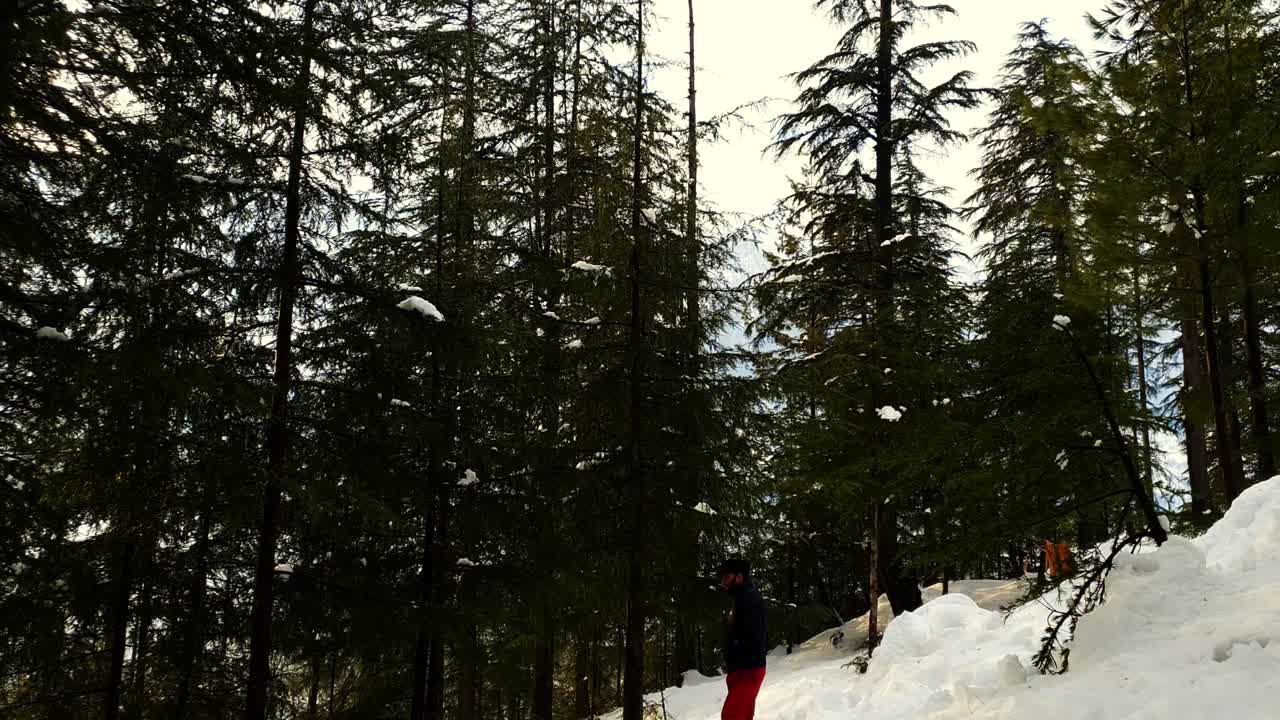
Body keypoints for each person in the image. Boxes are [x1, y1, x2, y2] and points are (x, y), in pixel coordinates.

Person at [718, 558, 767, 720]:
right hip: (741, 670)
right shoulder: (742, 598)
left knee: (731, 716)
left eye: (726, 577)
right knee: (741, 716)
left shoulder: (749, 599)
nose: (723, 582)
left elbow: (752, 636)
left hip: (748, 670)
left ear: (739, 577)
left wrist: (735, 650)